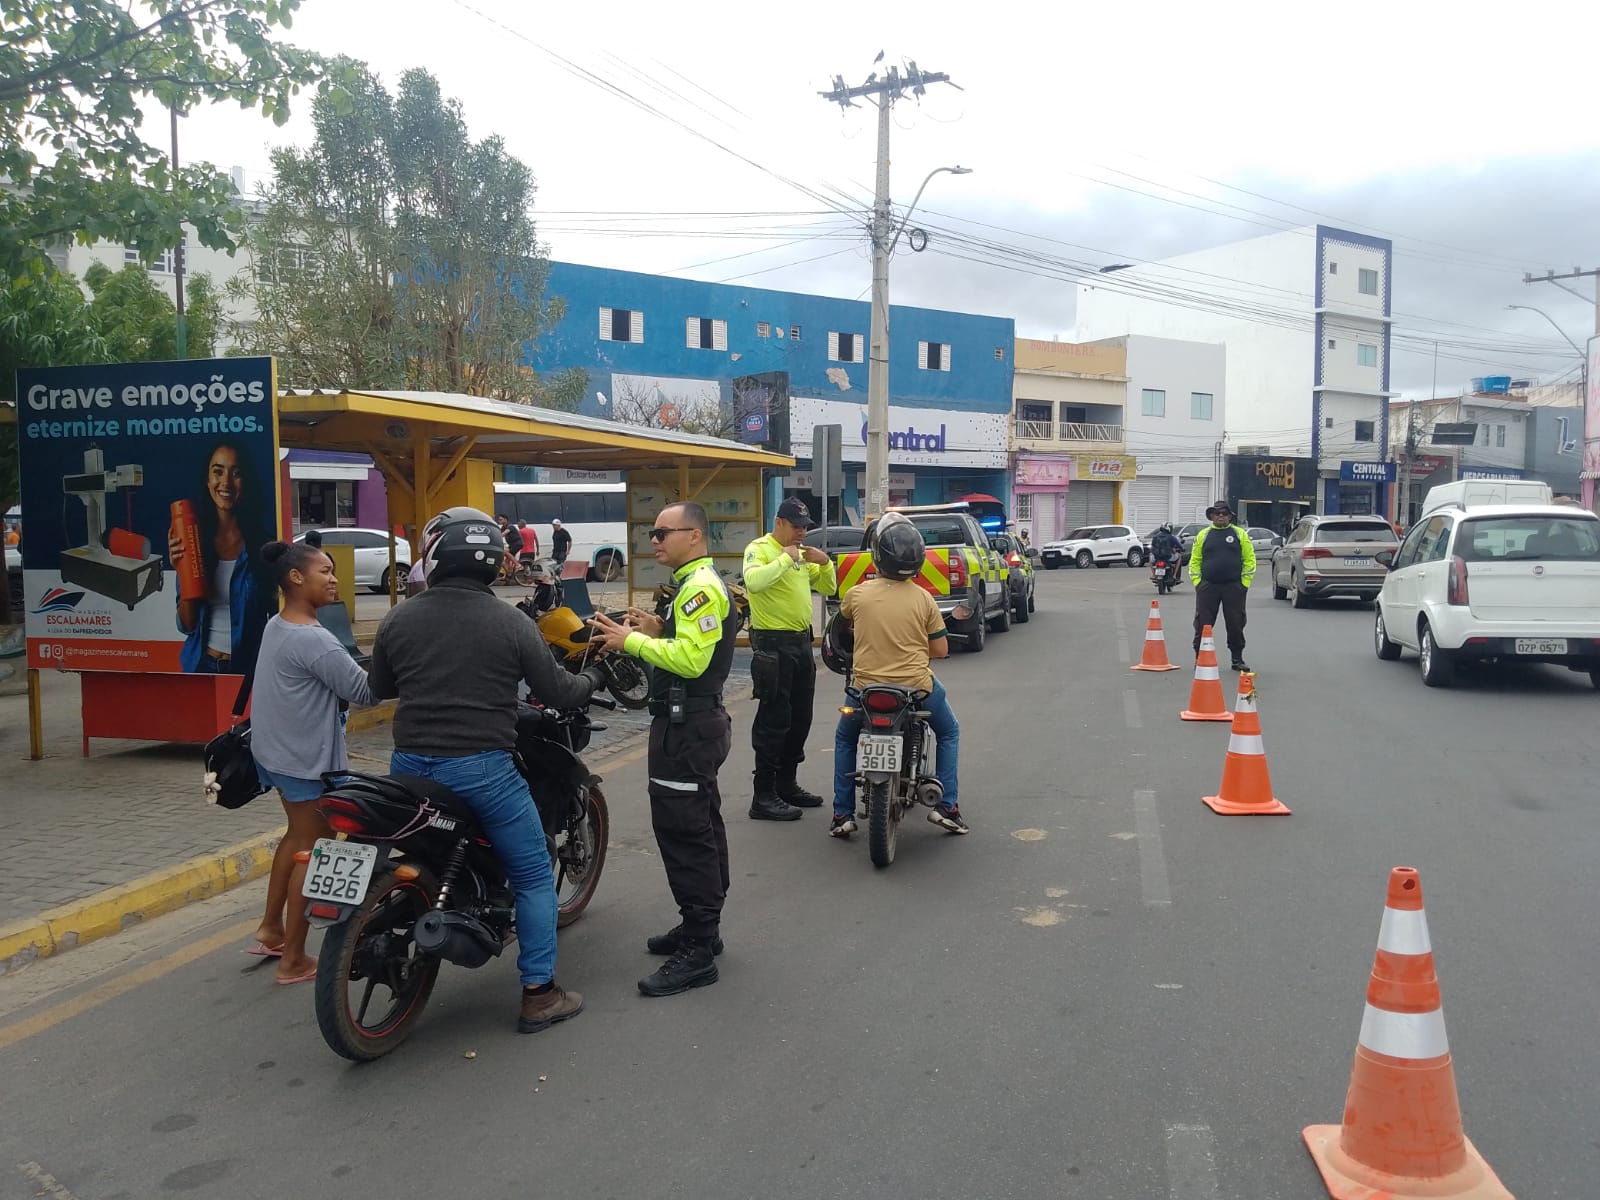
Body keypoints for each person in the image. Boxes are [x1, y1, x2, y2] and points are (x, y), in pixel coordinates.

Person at [369, 506, 600, 1034]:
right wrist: (592, 682)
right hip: (482, 772)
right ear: (496, 562)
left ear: (434, 557)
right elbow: (555, 691)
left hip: (407, 767)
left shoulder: (399, 618)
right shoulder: (510, 621)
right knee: (536, 873)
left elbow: (382, 687)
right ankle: (540, 993)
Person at [589, 501, 736, 998]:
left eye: (661, 533)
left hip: (687, 727)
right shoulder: (695, 586)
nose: (653, 541)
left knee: (684, 829)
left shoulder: (700, 589)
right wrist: (657, 630)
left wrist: (632, 642)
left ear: (693, 536)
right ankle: (702, 927)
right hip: (690, 724)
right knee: (699, 820)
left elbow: (693, 662)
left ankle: (697, 946)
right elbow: (693, 646)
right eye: (652, 533)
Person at [247, 540, 374, 985]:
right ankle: (294, 960)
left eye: (333, 570)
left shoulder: (278, 625)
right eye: (324, 570)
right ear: (296, 578)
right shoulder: (314, 639)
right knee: (314, 849)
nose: (334, 578)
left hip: (276, 754)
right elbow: (365, 690)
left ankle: (271, 928)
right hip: (306, 762)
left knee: (296, 835)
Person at [830, 513, 966, 838]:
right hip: (916, 690)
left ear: (878, 555)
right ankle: (947, 805)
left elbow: (841, 627)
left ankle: (842, 814)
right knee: (948, 732)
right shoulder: (924, 599)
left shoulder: (858, 594)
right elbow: (941, 651)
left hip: (864, 689)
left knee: (845, 738)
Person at [740, 497, 837, 822]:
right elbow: (753, 582)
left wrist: (824, 564)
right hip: (772, 645)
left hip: (800, 644)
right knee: (773, 719)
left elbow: (828, 586)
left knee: (801, 717)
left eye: (805, 528)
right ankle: (763, 794)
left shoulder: (802, 553)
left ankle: (787, 784)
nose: (801, 533)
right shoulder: (760, 548)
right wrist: (785, 559)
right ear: (779, 522)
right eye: (796, 527)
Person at [168, 440, 272, 675]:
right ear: (208, 480)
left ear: (246, 482)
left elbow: (276, 614)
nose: (225, 483)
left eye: (236, 473)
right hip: (201, 667)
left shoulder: (263, 546)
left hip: (248, 671)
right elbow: (187, 625)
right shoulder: (194, 541)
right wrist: (183, 572)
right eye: (218, 471)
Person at [1188, 501, 1255, 672]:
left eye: (1224, 513)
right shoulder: (1203, 535)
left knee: (1235, 623)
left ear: (1230, 516)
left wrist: (1243, 584)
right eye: (1216, 513)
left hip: (1234, 587)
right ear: (1211, 516)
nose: (1220, 516)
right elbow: (1195, 560)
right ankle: (1200, 658)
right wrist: (1198, 583)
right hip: (1208, 587)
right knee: (1203, 623)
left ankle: (1237, 659)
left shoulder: (1240, 534)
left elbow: (1249, 560)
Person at [496, 513, 524, 580]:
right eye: (498, 520)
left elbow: (503, 534)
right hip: (511, 545)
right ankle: (508, 574)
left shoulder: (510, 526)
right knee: (504, 561)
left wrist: (496, 537)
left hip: (517, 544)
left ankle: (518, 565)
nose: (499, 521)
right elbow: (498, 533)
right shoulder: (503, 527)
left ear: (505, 520)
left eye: (500, 520)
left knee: (505, 552)